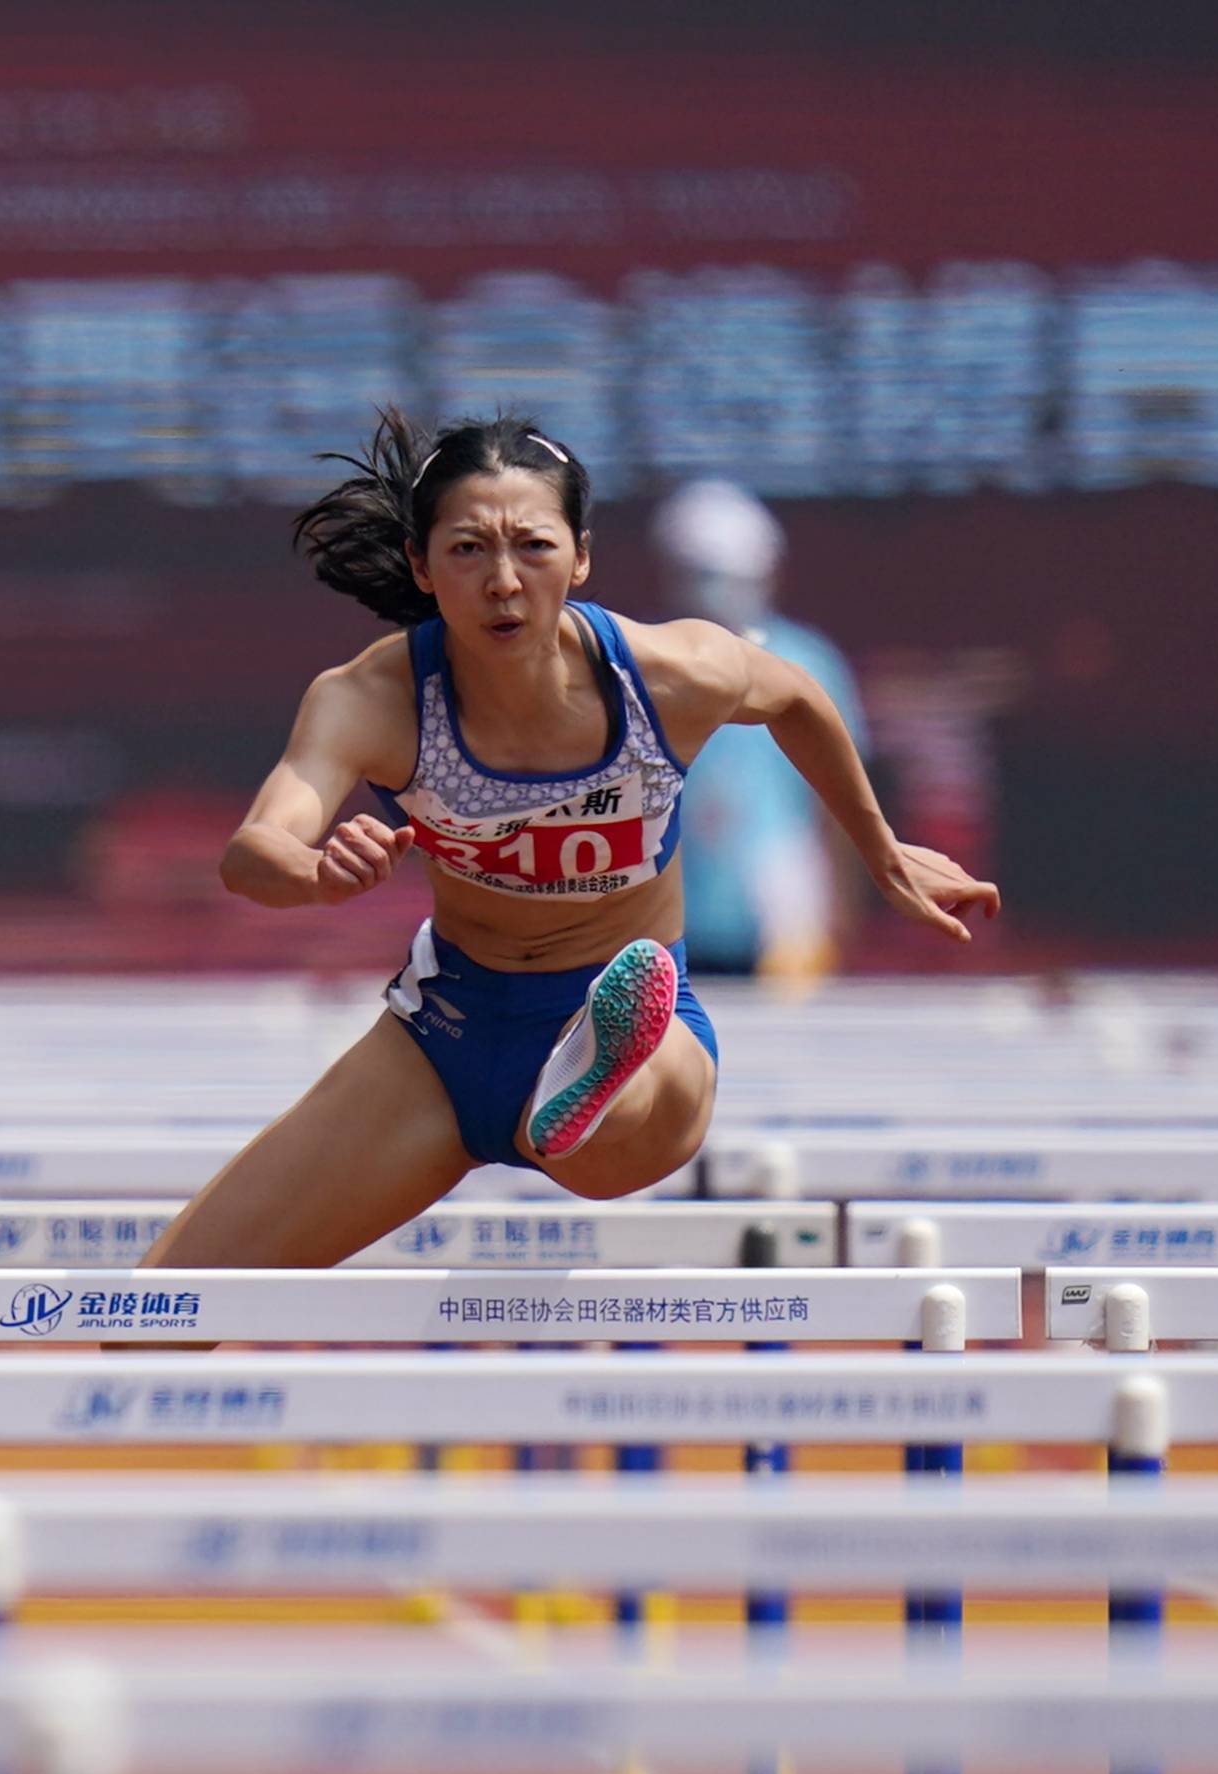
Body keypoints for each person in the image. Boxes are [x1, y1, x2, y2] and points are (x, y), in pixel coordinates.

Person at [142, 409, 993, 1270]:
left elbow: (797, 697)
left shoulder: (667, 673)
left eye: (533, 547)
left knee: (622, 1129)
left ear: (581, 557)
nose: (503, 582)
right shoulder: (374, 696)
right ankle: (569, 1089)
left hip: (644, 1023)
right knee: (166, 1301)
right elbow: (254, 851)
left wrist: (883, 853)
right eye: (469, 549)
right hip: (443, 1041)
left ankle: (596, 1062)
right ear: (420, 565)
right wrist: (314, 871)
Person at [655, 478, 865, 981]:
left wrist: (841, 905)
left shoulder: (808, 662)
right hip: (673, 915)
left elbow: (839, 800)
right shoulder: (647, 661)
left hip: (781, 913)